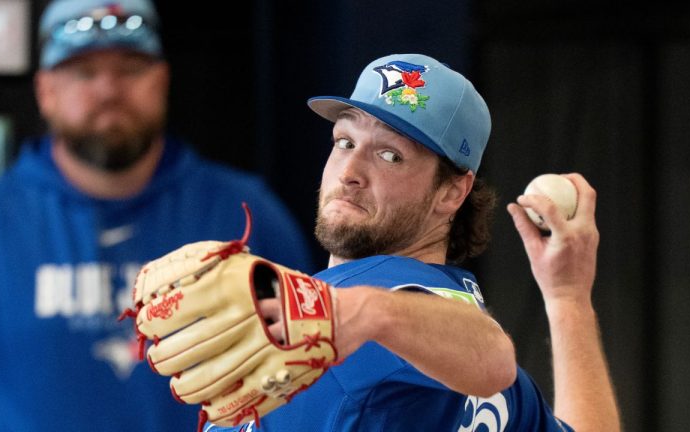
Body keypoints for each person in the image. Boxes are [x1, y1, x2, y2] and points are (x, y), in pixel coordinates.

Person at [0, 0, 313, 431]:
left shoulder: (247, 213)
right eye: (84, 72)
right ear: (45, 92)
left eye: (130, 68)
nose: (108, 90)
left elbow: (308, 359)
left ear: (163, 80)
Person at [198, 53, 621, 431]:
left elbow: (490, 355)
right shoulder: (504, 391)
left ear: (452, 192)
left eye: (390, 155)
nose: (349, 171)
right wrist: (569, 300)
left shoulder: (375, 305)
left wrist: (363, 309)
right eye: (345, 142)